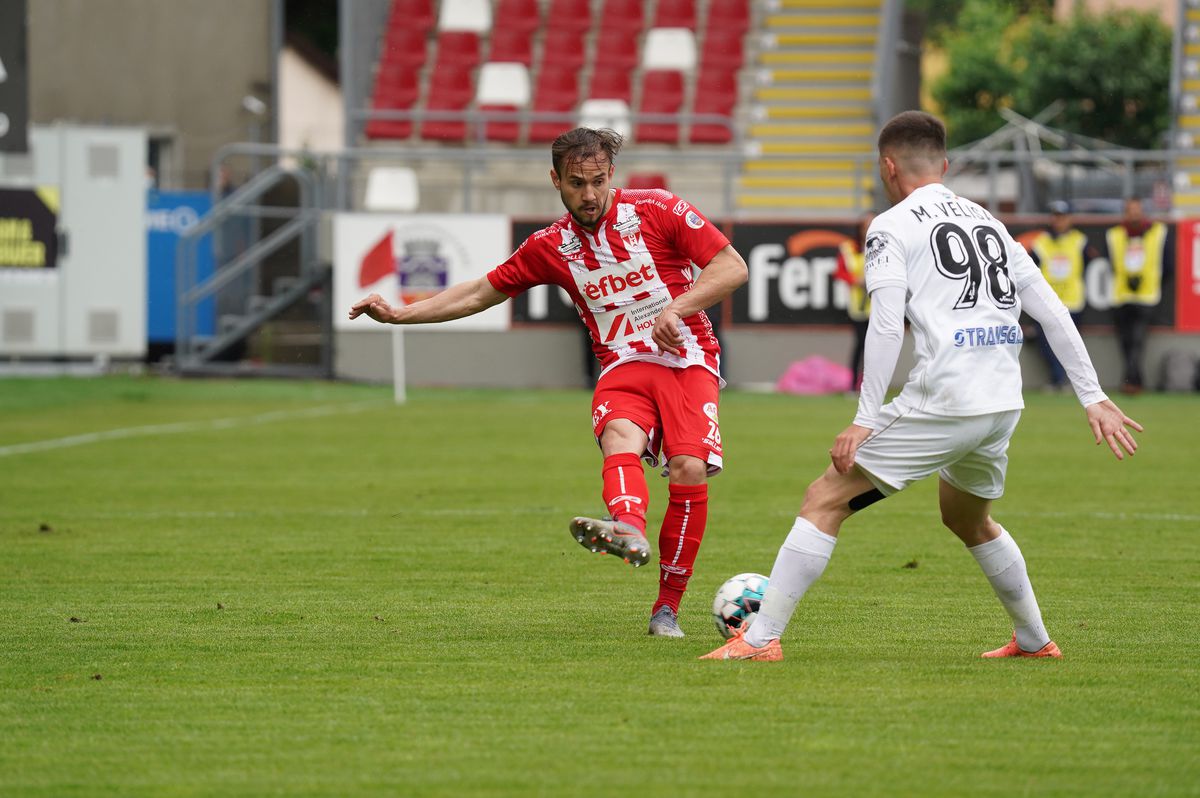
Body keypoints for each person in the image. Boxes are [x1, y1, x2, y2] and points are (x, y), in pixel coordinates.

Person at [701, 111, 1141, 662]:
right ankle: (1033, 641)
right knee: (967, 518)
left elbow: (886, 324)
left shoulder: (891, 224)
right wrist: (1093, 396)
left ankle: (761, 641)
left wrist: (864, 417)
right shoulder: (988, 220)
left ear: (888, 167)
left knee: (823, 500)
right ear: (946, 164)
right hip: (1003, 401)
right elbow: (1052, 310)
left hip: (947, 399)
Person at [349, 128, 748, 637]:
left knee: (688, 468)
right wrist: (401, 315)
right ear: (555, 180)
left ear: (612, 176)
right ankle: (627, 527)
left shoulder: (658, 209)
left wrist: (678, 307)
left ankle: (666, 607)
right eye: (577, 183)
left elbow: (731, 267)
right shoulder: (550, 245)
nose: (589, 195)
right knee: (619, 437)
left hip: (687, 358)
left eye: (598, 181)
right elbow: (478, 292)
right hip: (622, 365)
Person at [1030, 201, 1096, 391]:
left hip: (1072, 300)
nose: (1059, 220)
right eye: (1056, 216)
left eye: (1062, 216)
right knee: (1046, 343)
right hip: (1046, 301)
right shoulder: (1041, 242)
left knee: (1070, 345)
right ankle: (1058, 378)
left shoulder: (1080, 240)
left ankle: (1064, 381)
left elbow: (1091, 263)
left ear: (1069, 219)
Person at [1108, 197, 1167, 395]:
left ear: (1142, 211)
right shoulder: (1115, 234)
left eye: (1136, 210)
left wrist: (1149, 280)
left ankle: (1131, 382)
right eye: (1129, 210)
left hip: (1146, 295)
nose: (1133, 214)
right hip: (1121, 295)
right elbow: (1110, 263)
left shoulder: (1157, 232)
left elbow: (1167, 264)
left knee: (1137, 340)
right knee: (1126, 342)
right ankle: (1136, 380)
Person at [833, 212, 875, 391]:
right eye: (866, 224)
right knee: (859, 344)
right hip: (858, 305)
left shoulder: (886, 244)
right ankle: (853, 385)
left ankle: (872, 385)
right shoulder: (849, 248)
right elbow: (840, 271)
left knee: (876, 347)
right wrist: (854, 281)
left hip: (878, 305)